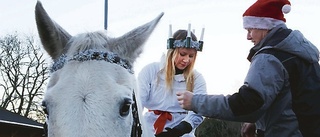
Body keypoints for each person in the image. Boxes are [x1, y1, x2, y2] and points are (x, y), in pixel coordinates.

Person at [177, 0, 320, 136]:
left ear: (265, 26)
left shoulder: (269, 57)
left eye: (250, 29)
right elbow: (291, 100)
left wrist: (195, 102)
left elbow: (248, 104)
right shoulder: (302, 54)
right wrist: (258, 122)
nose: (248, 37)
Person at [138, 28, 207, 137]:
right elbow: (138, 103)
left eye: (191, 56)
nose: (186, 60)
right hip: (149, 130)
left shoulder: (197, 79)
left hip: (182, 132)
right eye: (182, 54)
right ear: (172, 51)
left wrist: (179, 130)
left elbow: (200, 108)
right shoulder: (150, 71)